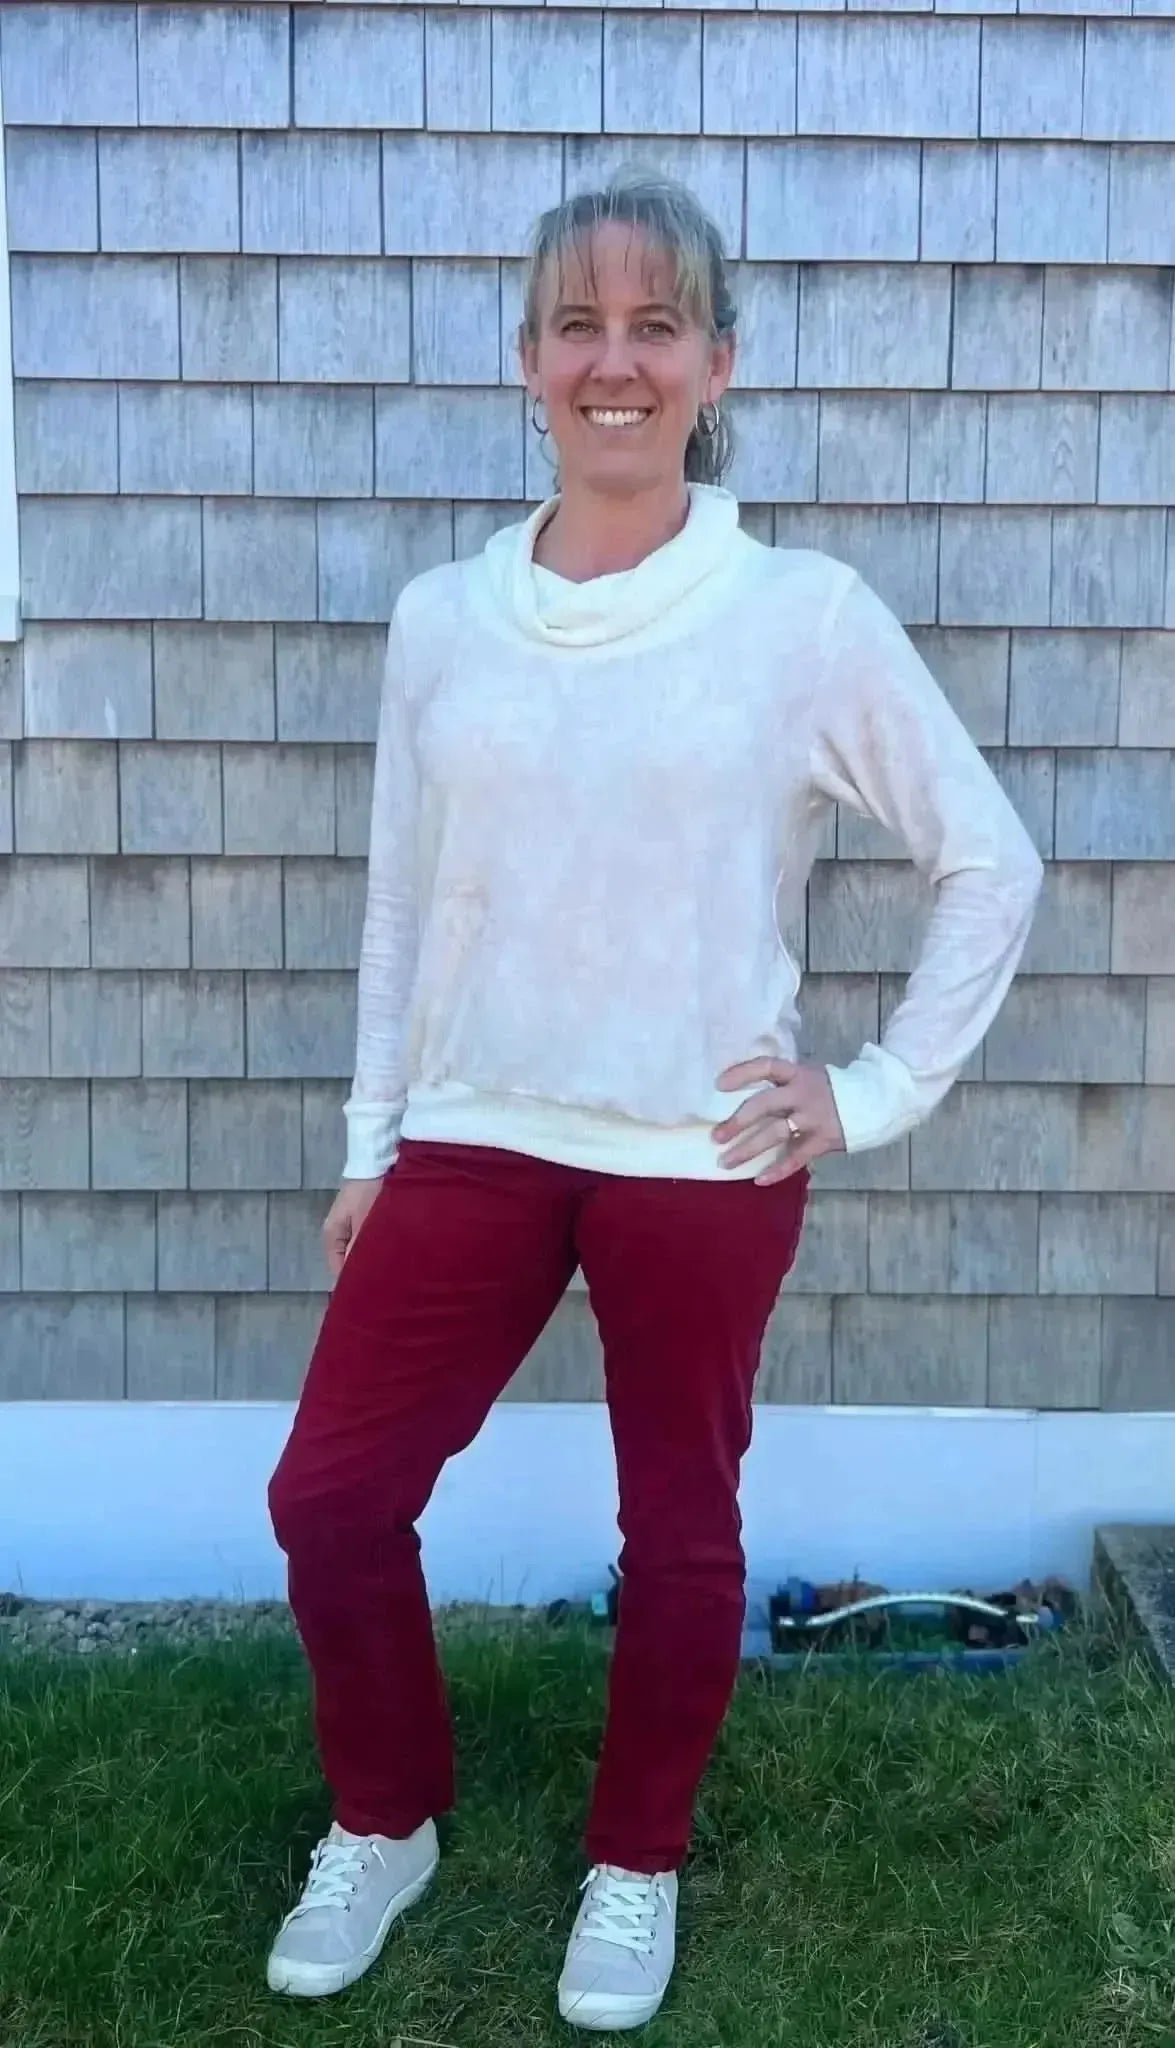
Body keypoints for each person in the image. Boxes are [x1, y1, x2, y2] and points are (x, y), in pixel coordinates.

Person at [264, 173, 1043, 2031]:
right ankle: (388, 1819)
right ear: (526, 359)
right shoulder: (444, 617)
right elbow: (396, 897)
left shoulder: (798, 614)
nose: (616, 363)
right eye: (579, 325)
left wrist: (866, 1092)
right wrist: (372, 1144)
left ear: (717, 364)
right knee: (331, 1499)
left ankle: (636, 1863)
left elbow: (988, 859)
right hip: (476, 1129)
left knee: (681, 1528)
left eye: (656, 325)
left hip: (699, 1151)